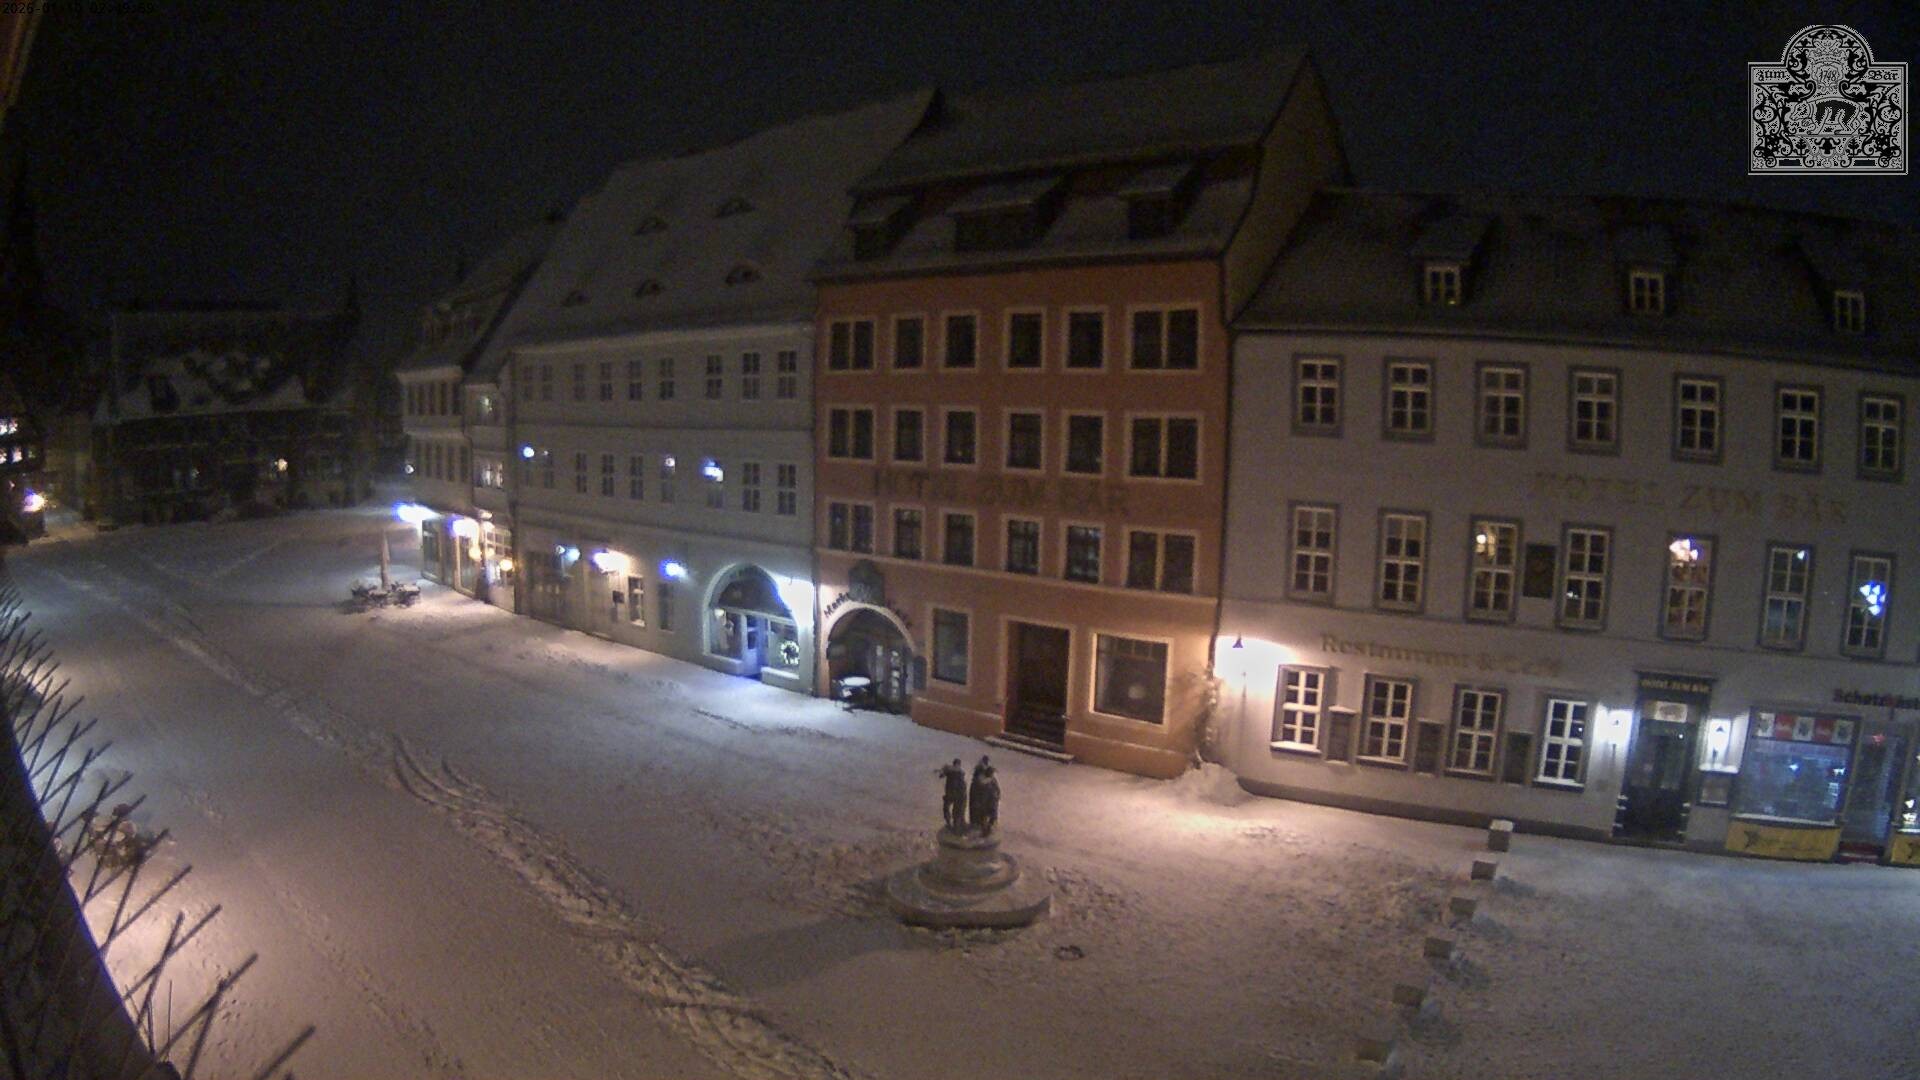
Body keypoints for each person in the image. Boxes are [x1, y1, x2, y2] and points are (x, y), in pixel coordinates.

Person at [967, 756, 999, 836]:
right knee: (983, 815)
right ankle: (983, 829)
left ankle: (984, 828)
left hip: (984, 800)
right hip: (983, 800)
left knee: (984, 815)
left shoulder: (987, 779)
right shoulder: (986, 779)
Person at [936, 758, 967, 830]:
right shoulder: (962, 771)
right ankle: (957, 824)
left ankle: (948, 822)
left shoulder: (949, 770)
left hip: (950, 793)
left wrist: (943, 769)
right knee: (957, 809)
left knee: (946, 807)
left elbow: (941, 776)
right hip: (960, 794)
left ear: (954, 763)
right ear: (959, 764)